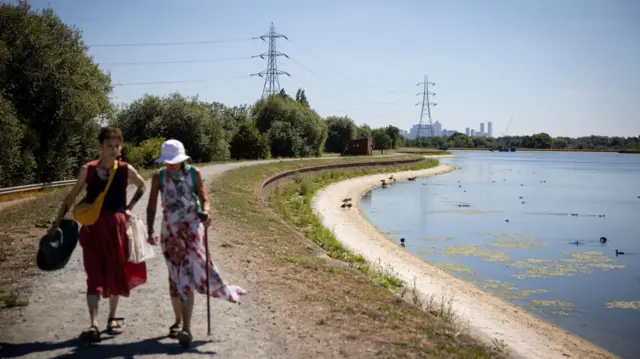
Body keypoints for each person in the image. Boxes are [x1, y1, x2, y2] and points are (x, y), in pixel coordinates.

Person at [47, 126, 148, 343]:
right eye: (109, 145)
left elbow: (142, 186)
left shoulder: (125, 169)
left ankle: (111, 319)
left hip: (116, 228)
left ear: (120, 148)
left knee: (115, 273)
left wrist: (128, 207)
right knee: (93, 276)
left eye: (117, 146)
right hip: (92, 229)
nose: (113, 149)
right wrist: (56, 222)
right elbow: (71, 197)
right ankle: (94, 323)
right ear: (100, 147)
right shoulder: (88, 170)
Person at [146, 139, 246, 347]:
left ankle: (186, 329)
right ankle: (178, 321)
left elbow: (204, 198)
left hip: (192, 232)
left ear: (183, 159)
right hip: (170, 235)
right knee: (174, 278)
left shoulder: (194, 173)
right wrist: (150, 230)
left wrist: (207, 212)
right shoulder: (159, 177)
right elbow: (151, 207)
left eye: (174, 161)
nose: (171, 165)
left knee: (186, 277)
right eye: (168, 161)